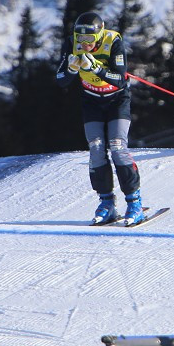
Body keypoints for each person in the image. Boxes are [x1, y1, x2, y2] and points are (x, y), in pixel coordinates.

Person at [56, 11, 146, 224]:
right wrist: (70, 69)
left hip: (116, 100)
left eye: (89, 39)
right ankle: (107, 202)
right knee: (96, 148)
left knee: (117, 146)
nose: (84, 43)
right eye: (80, 38)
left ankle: (135, 203)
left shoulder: (113, 41)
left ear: (98, 35)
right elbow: (60, 79)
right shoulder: (71, 43)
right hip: (92, 100)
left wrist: (95, 68)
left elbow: (120, 78)